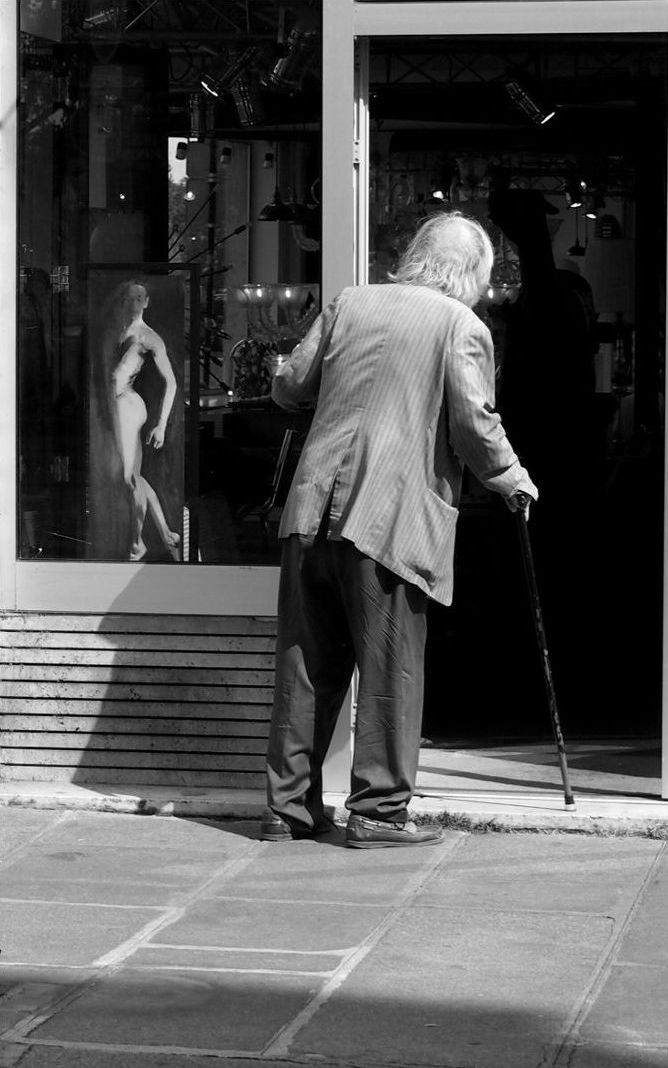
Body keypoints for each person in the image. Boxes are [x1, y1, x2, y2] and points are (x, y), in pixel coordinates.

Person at [261, 211, 538, 848]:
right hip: (386, 516)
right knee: (390, 670)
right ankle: (378, 813)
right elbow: (474, 425)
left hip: (311, 510)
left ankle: (286, 810)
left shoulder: (350, 303)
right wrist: (514, 480)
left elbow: (290, 387)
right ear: (473, 274)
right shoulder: (461, 326)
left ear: (415, 256)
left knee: (305, 665)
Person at [101, 280, 180, 562]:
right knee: (134, 477)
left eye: (138, 298)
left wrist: (161, 424)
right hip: (116, 405)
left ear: (146, 302)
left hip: (129, 406)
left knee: (127, 478)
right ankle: (166, 532)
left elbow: (171, 383)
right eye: (128, 297)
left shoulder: (149, 338)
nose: (132, 302)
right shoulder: (118, 330)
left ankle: (137, 543)